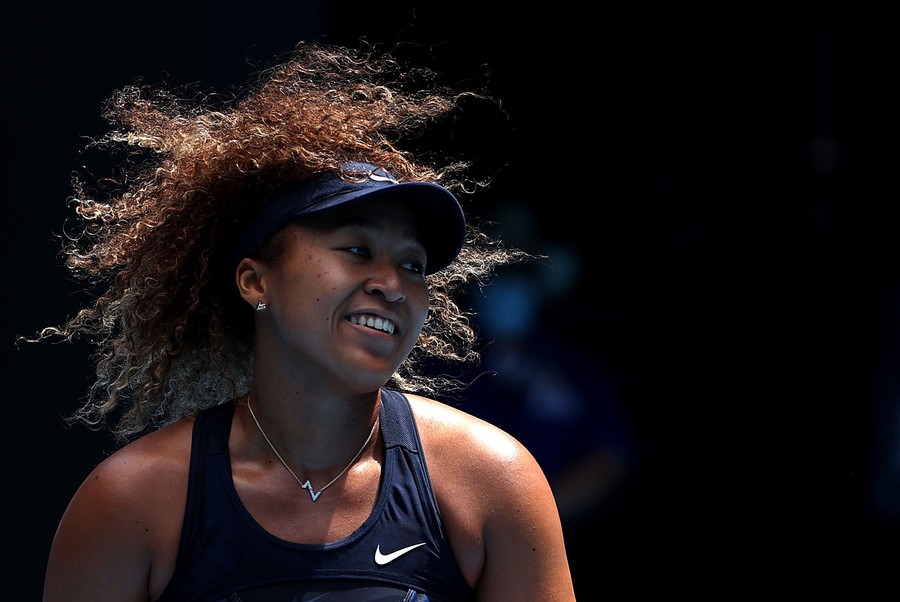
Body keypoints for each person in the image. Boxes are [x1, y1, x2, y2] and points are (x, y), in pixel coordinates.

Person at [30, 41, 576, 601]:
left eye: (412, 265)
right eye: (358, 250)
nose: (392, 284)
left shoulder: (493, 480)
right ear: (255, 281)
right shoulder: (131, 500)